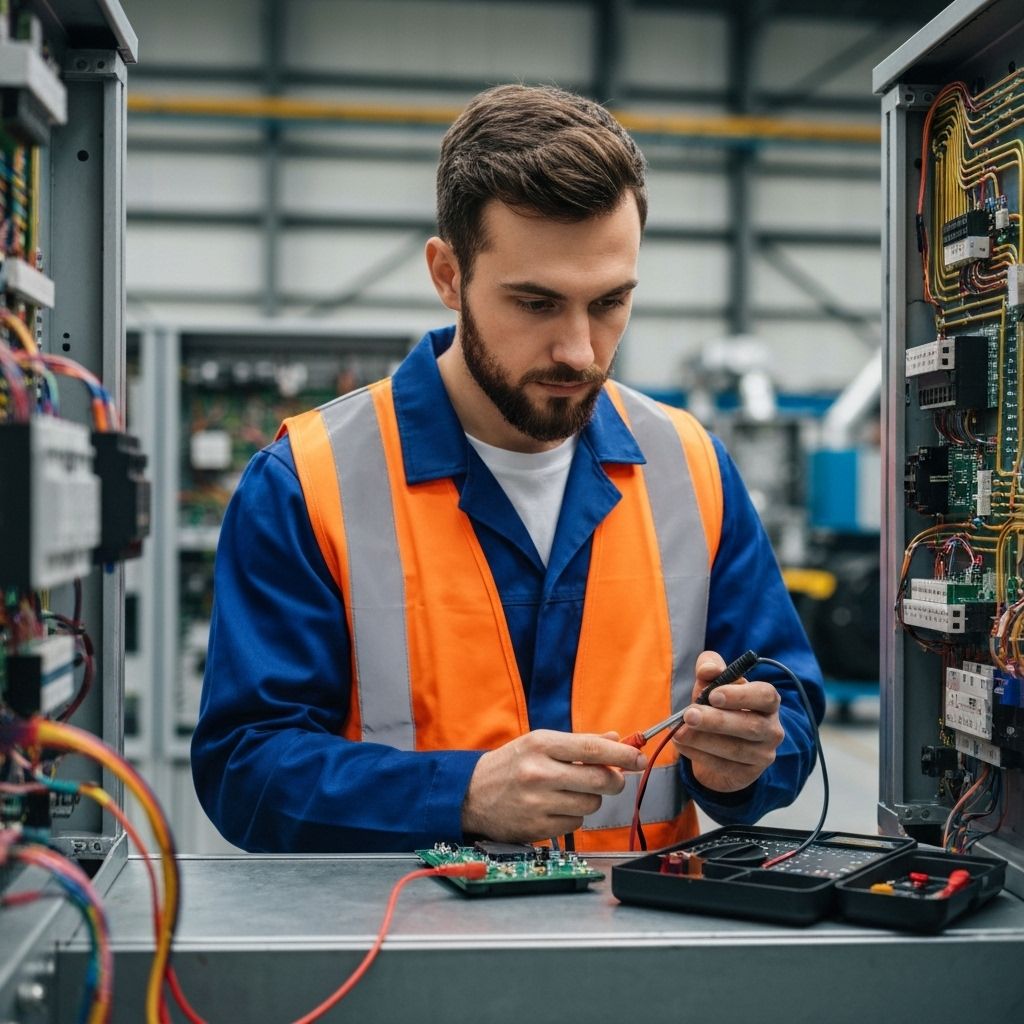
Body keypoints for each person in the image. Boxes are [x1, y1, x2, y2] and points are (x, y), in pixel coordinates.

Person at [191, 84, 824, 854]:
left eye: (610, 303)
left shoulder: (689, 466)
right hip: (405, 953)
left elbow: (786, 705)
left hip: (640, 952)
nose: (580, 351)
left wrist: (747, 758)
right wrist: (459, 795)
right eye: (535, 303)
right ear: (448, 274)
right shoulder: (307, 482)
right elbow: (245, 768)